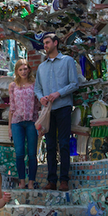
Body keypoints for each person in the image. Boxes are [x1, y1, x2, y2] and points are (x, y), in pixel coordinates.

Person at [34, 32, 81, 191]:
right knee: (51, 145)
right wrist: (41, 98)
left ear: (55, 43)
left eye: (47, 42)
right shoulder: (41, 67)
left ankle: (64, 180)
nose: (45, 45)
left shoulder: (68, 61)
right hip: (47, 112)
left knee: (65, 143)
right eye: (44, 43)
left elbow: (75, 84)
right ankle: (51, 180)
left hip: (63, 108)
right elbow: (37, 89)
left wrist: (58, 93)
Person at [8, 59, 39, 190]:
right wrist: (9, 127)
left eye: (25, 69)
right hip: (17, 122)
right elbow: (12, 107)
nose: (23, 72)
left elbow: (39, 103)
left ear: (29, 69)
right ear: (16, 71)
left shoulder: (35, 84)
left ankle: (30, 182)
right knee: (20, 153)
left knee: (32, 153)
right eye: (20, 69)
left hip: (32, 121)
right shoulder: (13, 86)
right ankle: (22, 182)